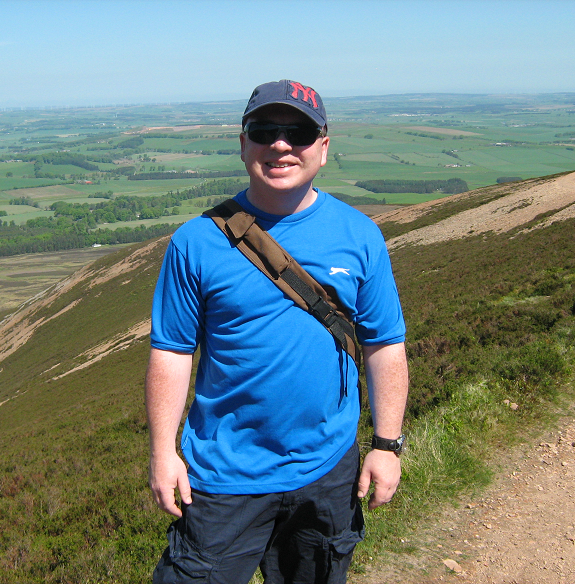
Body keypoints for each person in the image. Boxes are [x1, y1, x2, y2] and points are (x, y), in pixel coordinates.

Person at [145, 79, 409, 583]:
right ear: (243, 143)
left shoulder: (360, 235)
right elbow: (171, 353)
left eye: (300, 132)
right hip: (223, 477)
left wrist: (386, 445)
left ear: (324, 147)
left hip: (327, 470)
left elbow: (384, 346)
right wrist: (163, 453)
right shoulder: (195, 243)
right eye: (264, 131)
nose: (281, 145)